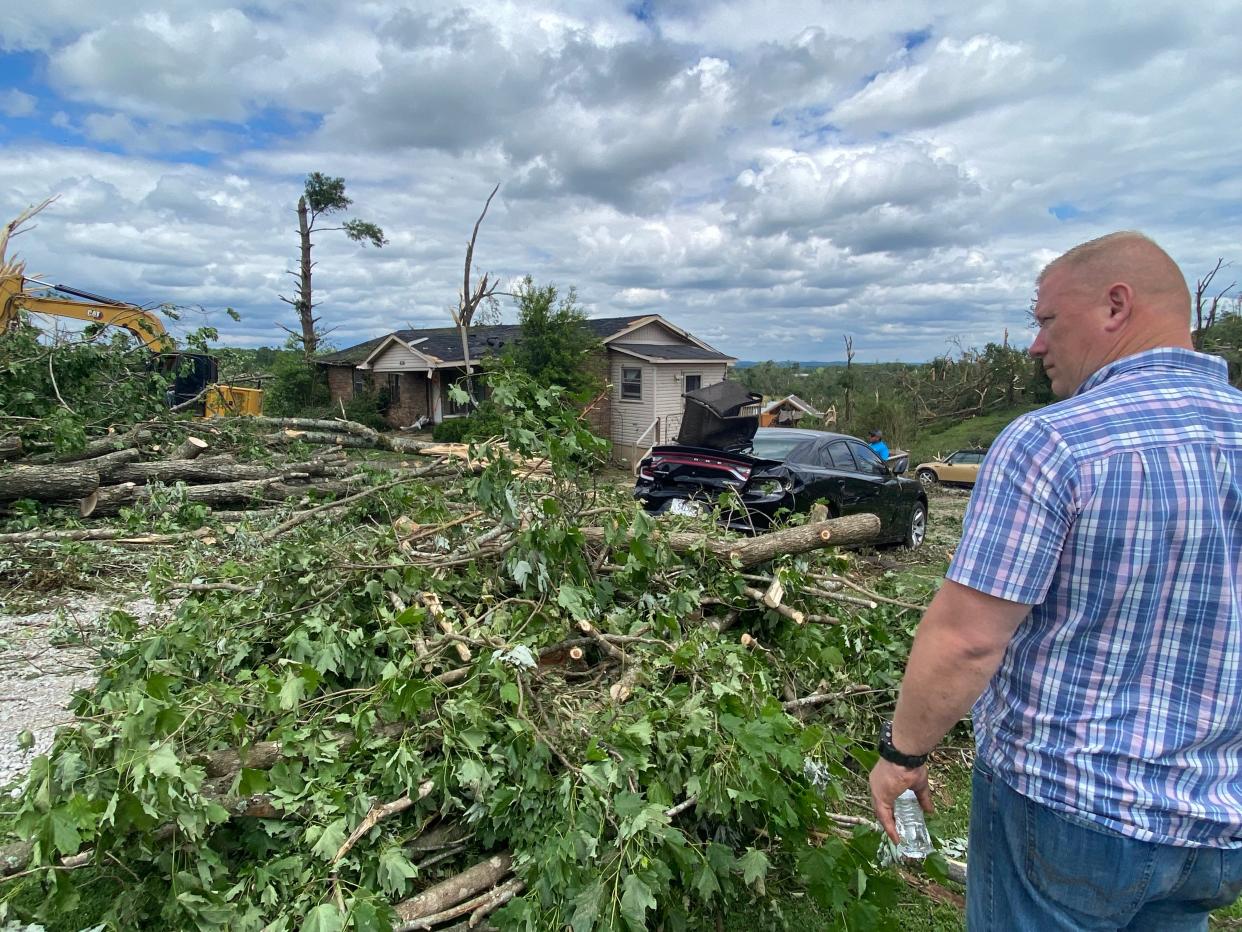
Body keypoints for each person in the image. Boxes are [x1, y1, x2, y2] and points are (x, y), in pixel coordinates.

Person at [869, 231, 1242, 931]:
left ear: (1115, 306)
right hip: (1213, 828)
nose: (1035, 345)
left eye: (1045, 320)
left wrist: (902, 754)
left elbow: (967, 641)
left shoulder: (1054, 444)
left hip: (1067, 814)